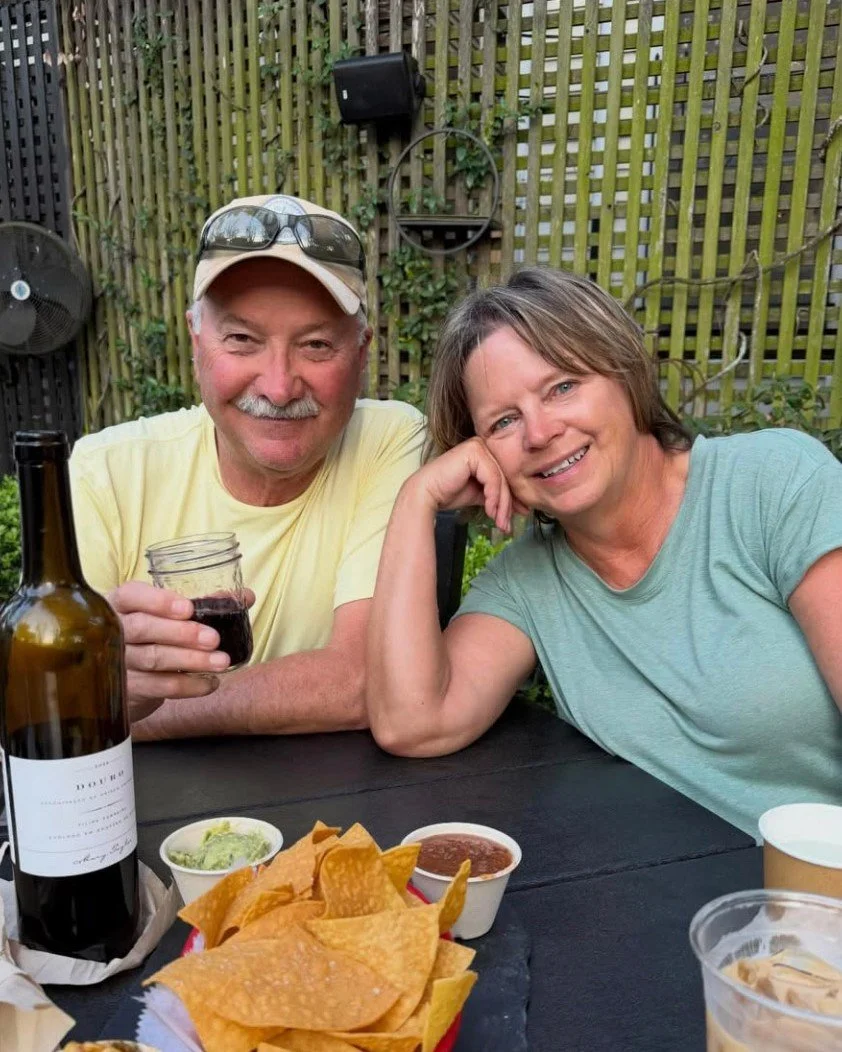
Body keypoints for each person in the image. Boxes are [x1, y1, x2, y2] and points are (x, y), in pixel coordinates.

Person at [367, 267, 842, 837]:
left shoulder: (773, 483)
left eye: (562, 387)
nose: (539, 433)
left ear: (625, 375)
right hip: (656, 897)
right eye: (504, 421)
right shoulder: (528, 582)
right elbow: (412, 723)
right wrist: (416, 501)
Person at [70, 193, 424, 740]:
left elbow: (364, 680)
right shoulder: (105, 472)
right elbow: (58, 707)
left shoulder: (388, 440)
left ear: (361, 352)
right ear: (196, 339)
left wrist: (123, 710)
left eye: (316, 344)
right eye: (241, 339)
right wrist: (106, 695)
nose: (279, 387)